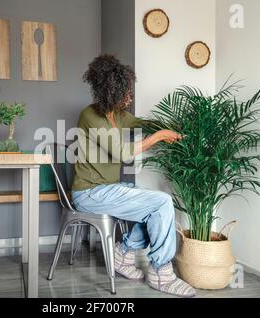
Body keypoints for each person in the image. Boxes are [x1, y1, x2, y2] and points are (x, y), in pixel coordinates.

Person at [71, 55, 195, 297]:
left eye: (129, 91)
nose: (129, 97)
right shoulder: (90, 115)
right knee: (161, 202)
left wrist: (173, 127)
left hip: (108, 187)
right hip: (88, 193)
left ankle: (123, 254)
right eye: (125, 92)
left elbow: (142, 123)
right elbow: (123, 153)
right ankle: (161, 272)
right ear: (110, 90)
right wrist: (159, 136)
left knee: (153, 205)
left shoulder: (117, 116)